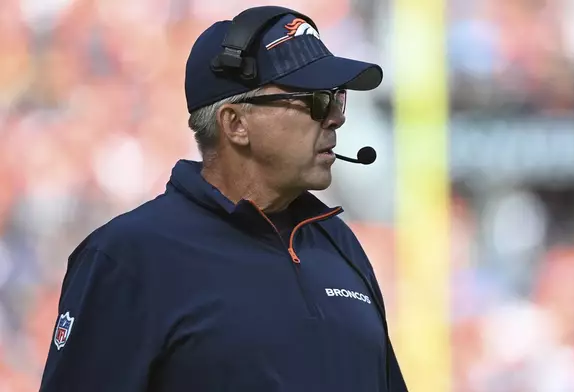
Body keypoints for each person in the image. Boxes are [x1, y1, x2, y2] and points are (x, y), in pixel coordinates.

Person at [39, 6, 407, 392]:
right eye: (315, 100)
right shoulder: (128, 257)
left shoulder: (339, 243)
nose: (336, 117)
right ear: (236, 124)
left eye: (337, 99)